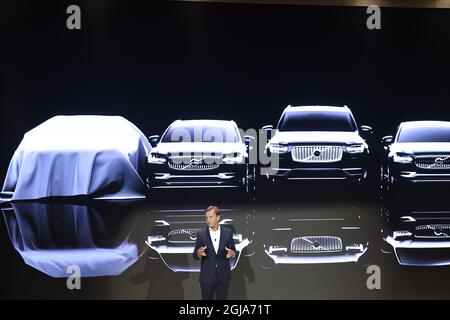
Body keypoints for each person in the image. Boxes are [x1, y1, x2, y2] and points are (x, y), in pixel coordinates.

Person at [193, 205, 236, 300]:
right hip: (207, 277)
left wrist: (232, 253)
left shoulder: (227, 233)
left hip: (223, 276)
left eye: (211, 217)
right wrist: (198, 253)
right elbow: (195, 254)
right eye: (206, 217)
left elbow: (233, 250)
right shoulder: (201, 234)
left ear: (218, 217)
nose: (208, 220)